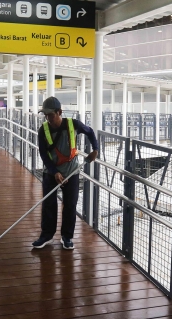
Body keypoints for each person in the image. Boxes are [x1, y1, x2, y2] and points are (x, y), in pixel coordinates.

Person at [32, 97, 99, 250]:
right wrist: (54, 172)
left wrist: (95, 149)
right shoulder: (43, 130)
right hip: (51, 173)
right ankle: (46, 236)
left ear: (59, 112)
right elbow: (43, 154)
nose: (48, 118)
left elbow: (90, 132)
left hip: (72, 172)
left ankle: (67, 237)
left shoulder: (73, 124)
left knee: (70, 205)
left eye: (51, 115)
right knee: (48, 204)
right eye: (46, 115)